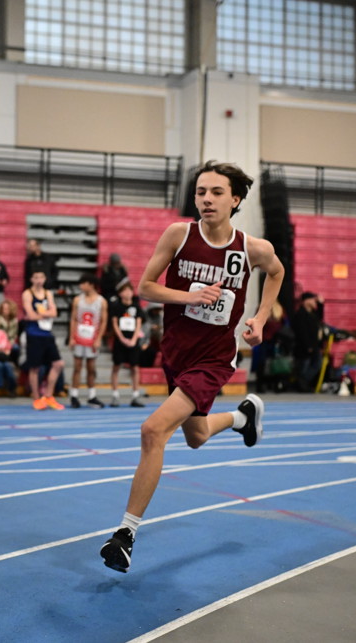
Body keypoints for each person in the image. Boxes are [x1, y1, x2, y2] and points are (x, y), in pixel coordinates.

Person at [100, 160, 283, 573]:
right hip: (176, 352)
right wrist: (189, 297)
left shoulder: (251, 248)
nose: (206, 199)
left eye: (216, 192)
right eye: (201, 192)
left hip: (214, 358)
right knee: (196, 436)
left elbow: (276, 272)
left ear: (235, 199)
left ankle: (125, 534)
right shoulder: (178, 235)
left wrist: (259, 317)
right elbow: (146, 287)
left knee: (153, 430)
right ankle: (242, 417)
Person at [22, 269, 65, 410]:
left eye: (41, 277)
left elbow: (55, 312)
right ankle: (36, 398)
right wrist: (47, 314)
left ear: (45, 279)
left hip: (47, 333)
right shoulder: (28, 294)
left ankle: (48, 396)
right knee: (35, 367)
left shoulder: (48, 293)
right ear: (31, 279)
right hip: (34, 334)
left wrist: (40, 314)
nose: (39, 280)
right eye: (36, 277)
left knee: (58, 364)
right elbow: (30, 315)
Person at [68, 273, 107, 409]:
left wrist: (99, 338)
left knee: (91, 368)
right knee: (77, 367)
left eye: (83, 283)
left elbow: (103, 321)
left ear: (91, 284)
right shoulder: (77, 300)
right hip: (79, 336)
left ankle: (91, 396)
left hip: (92, 337)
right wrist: (72, 337)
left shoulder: (101, 301)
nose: (81, 286)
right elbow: (73, 319)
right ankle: (74, 395)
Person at [109, 279, 145, 407]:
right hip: (120, 340)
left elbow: (138, 324)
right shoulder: (116, 307)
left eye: (129, 290)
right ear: (120, 293)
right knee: (116, 366)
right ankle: (115, 395)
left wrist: (134, 339)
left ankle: (135, 395)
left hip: (133, 340)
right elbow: (114, 324)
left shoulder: (136, 306)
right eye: (124, 291)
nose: (128, 293)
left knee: (135, 367)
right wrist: (121, 338)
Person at [291, 292, 324, 392]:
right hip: (304, 346)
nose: (315, 302)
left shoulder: (312, 314)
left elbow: (320, 317)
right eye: (313, 299)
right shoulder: (300, 314)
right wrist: (308, 346)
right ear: (306, 301)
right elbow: (302, 332)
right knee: (304, 366)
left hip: (314, 345)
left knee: (317, 364)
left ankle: (302, 383)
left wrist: (321, 304)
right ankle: (301, 384)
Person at [0, 298, 22, 363]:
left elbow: (14, 335)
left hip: (10, 342)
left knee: (16, 348)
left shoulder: (14, 321)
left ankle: (13, 363)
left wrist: (9, 345)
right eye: (3, 308)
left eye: (7, 308)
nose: (5, 310)